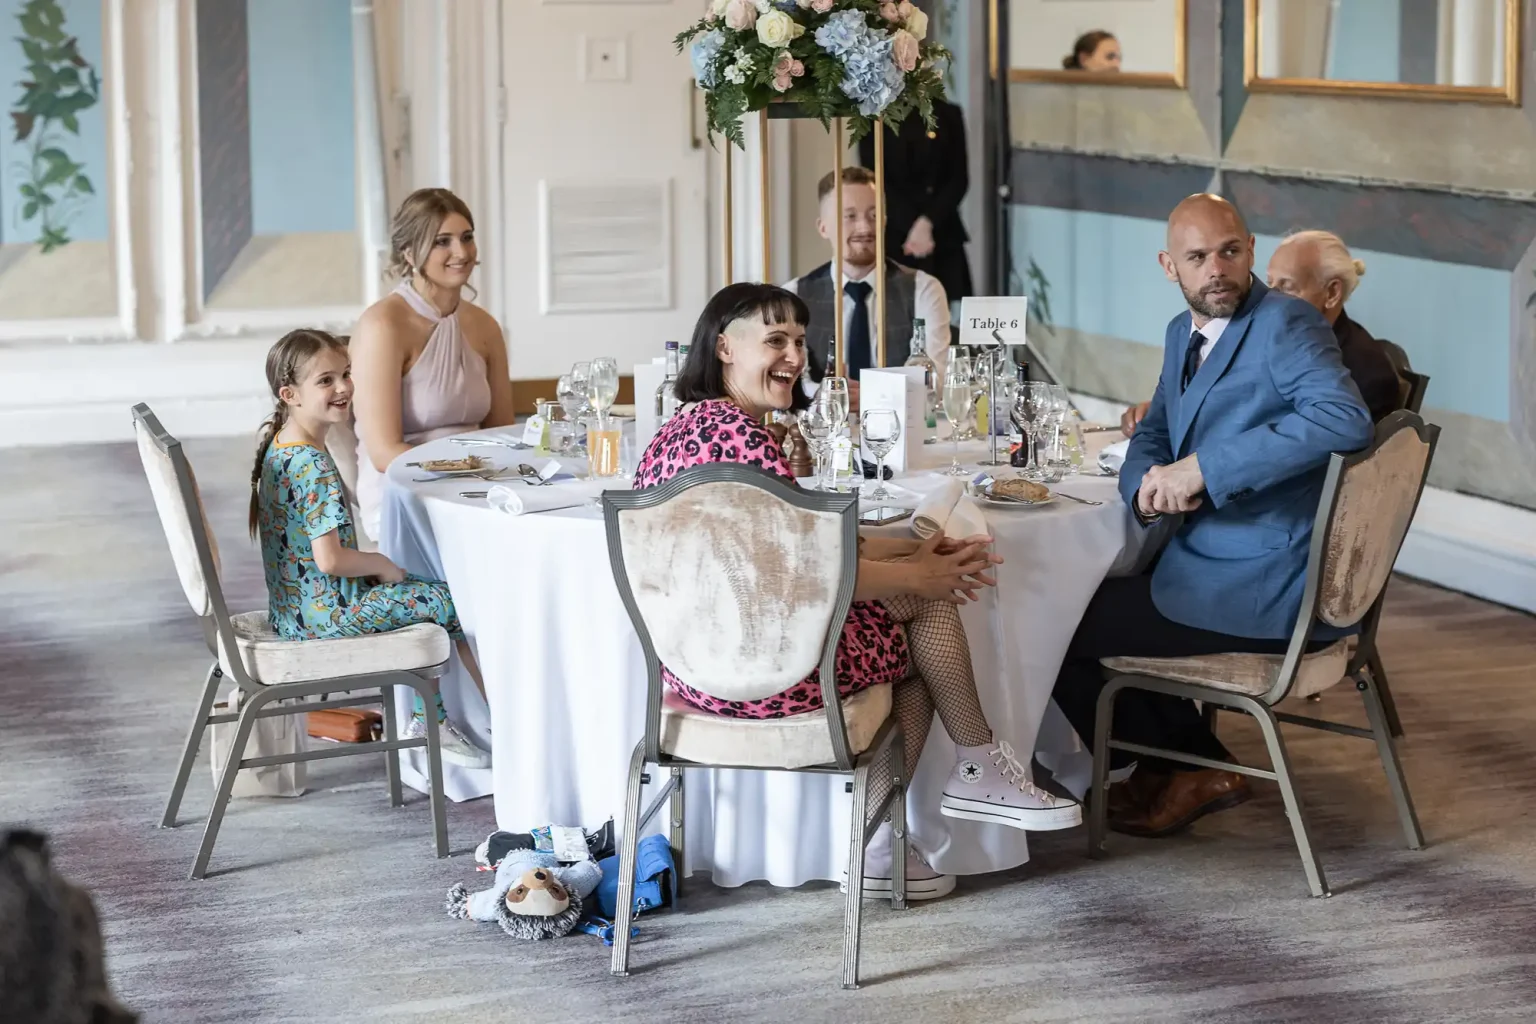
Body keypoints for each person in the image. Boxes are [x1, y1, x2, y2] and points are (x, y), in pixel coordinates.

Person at [638, 283, 1082, 901]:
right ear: (723, 348)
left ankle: (912, 821)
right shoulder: (742, 441)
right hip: (769, 677)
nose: (794, 357)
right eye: (774, 341)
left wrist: (914, 553)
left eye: (798, 340)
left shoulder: (684, 431)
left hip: (693, 672)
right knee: (924, 622)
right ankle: (937, 798)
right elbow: (799, 579)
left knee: (916, 615)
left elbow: (801, 549)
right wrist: (919, 577)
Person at [1053, 195, 1372, 837]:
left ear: (1250, 248)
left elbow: (1344, 419)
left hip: (1267, 581)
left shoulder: (1287, 323)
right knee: (1074, 603)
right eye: (1198, 257)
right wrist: (1140, 480)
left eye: (1229, 251)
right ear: (1171, 266)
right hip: (1211, 562)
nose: (1216, 269)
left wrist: (1204, 470)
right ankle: (1180, 769)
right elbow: (1159, 428)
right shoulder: (1182, 332)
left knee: (1056, 625)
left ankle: (1186, 767)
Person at [251, 329, 491, 768]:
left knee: (433, 596)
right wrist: (381, 563)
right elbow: (330, 559)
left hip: (296, 611)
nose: (343, 387)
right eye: (325, 380)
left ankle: (455, 717)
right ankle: (473, 720)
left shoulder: (281, 447)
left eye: (345, 374)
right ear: (290, 394)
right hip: (326, 617)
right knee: (451, 601)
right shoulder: (313, 465)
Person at [350, 188, 516, 539]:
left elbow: (502, 432)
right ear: (409, 253)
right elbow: (383, 453)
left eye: (467, 238)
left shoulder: (485, 327)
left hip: (476, 488)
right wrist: (469, 474)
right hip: (404, 493)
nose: (461, 252)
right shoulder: (383, 326)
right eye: (443, 241)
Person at [1122, 229, 1402, 435]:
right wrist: (1170, 411)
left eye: (1287, 287)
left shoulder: (1365, 373)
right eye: (1270, 284)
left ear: (1331, 293)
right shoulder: (1268, 334)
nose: (1271, 297)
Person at [784, 167, 951, 405]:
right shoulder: (794, 295)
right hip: (822, 434)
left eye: (874, 215)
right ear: (823, 227)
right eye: (849, 216)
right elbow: (792, 382)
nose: (865, 228)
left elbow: (936, 379)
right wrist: (829, 394)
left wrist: (873, 396)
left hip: (904, 432)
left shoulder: (924, 290)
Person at [856, 97, 974, 308]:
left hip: (941, 231)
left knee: (942, 318)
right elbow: (874, 179)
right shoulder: (872, 113)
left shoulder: (948, 113)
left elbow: (959, 179)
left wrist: (926, 223)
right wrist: (913, 226)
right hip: (893, 231)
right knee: (892, 315)